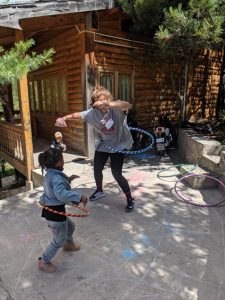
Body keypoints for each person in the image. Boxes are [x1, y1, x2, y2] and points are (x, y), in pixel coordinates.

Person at [55, 86, 135, 212]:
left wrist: (108, 104)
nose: (103, 105)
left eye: (106, 100)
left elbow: (127, 105)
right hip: (104, 143)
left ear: (109, 99)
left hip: (119, 144)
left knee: (116, 173)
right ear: (94, 104)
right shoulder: (92, 113)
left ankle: (130, 198)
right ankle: (99, 190)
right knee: (97, 168)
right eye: (100, 102)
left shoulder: (117, 109)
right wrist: (63, 118)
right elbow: (77, 114)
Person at [37, 148, 88, 273]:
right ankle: (43, 260)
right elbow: (60, 194)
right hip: (54, 214)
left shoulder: (49, 173)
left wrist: (69, 179)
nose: (64, 162)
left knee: (70, 227)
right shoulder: (56, 177)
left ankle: (68, 244)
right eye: (63, 159)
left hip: (54, 209)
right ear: (59, 162)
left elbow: (55, 187)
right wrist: (79, 197)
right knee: (58, 240)